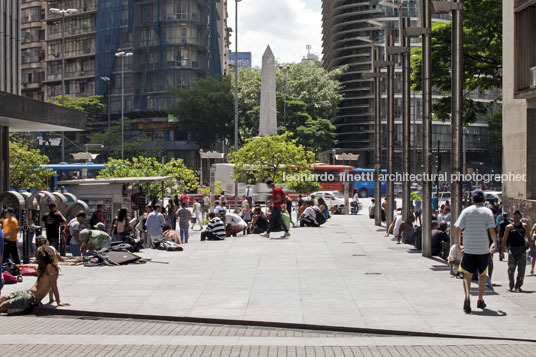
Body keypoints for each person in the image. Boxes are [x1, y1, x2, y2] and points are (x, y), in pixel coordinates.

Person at [454, 189, 497, 313]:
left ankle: (467, 296)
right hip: (483, 249)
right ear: (483, 200)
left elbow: (457, 228)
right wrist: (495, 242)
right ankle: (480, 299)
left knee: (467, 275)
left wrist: (459, 244)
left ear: (472, 199)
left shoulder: (466, 211)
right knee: (482, 275)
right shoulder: (487, 212)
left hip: (468, 248)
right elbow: (492, 230)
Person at [0, 246, 70, 314]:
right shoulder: (43, 267)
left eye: (38, 256)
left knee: (3, 306)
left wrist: (58, 301)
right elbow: (50, 285)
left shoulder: (50, 267)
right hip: (28, 293)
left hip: (32, 298)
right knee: (3, 298)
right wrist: (51, 299)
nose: (37, 258)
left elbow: (53, 285)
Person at [501, 210, 530, 292]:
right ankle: (511, 285)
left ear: (520, 217)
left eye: (518, 215)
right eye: (515, 215)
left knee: (521, 270)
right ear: (513, 217)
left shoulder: (524, 226)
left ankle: (518, 285)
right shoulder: (509, 227)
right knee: (511, 269)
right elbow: (504, 239)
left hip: (522, 250)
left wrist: (531, 249)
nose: (516, 217)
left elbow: (529, 238)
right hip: (512, 251)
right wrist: (501, 251)